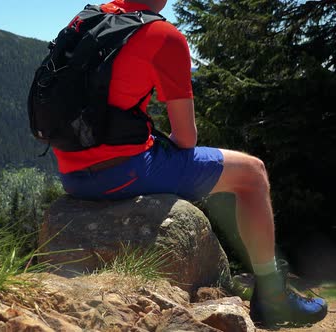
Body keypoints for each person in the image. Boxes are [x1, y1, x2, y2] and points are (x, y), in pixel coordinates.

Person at [53, 0, 328, 327]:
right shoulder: (162, 35)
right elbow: (186, 139)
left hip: (71, 173)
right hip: (123, 173)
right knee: (253, 173)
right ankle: (273, 297)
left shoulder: (89, 18)